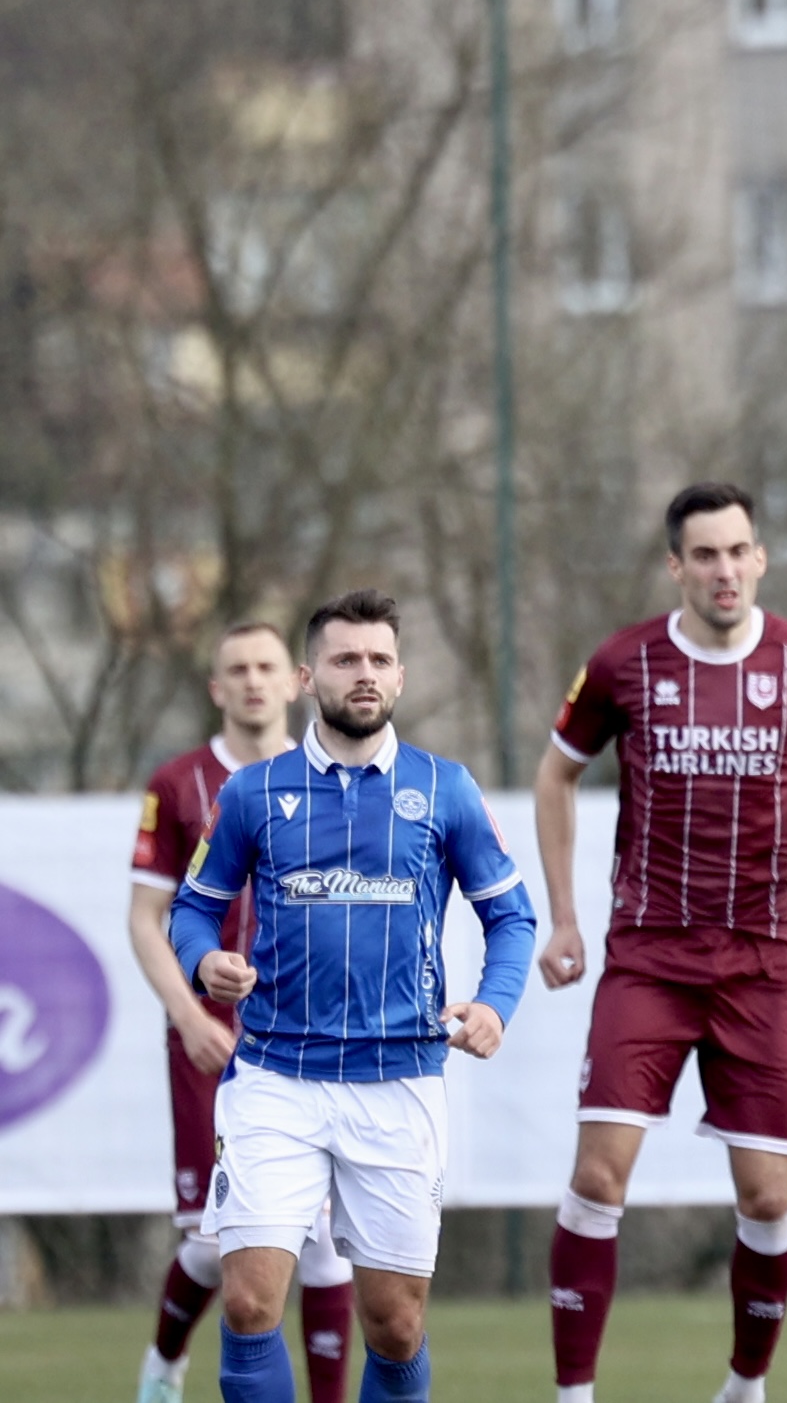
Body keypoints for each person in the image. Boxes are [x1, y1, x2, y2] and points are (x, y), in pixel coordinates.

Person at [536, 482, 787, 1403]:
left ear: (760, 558)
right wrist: (566, 917)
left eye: (737, 550)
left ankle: (745, 1386)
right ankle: (573, 1394)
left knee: (769, 1198)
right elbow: (555, 775)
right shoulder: (623, 663)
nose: (723, 569)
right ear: (676, 566)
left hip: (764, 962)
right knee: (596, 1174)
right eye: (704, 554)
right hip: (649, 955)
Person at [168, 589, 537, 1403]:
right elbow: (191, 908)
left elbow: (511, 916)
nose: (362, 674)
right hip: (275, 1075)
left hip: (399, 1080)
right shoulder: (254, 793)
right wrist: (203, 963)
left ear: (400, 676)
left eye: (377, 660)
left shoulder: (445, 789)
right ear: (309, 676)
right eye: (344, 659)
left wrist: (492, 1004)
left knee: (395, 1325)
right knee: (250, 1299)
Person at [128, 623, 354, 1403]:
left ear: (294, 680)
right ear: (217, 687)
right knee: (214, 1236)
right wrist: (188, 1015)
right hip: (215, 1042)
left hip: (316, 1040)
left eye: (266, 666)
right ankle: (162, 1367)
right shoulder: (180, 782)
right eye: (236, 669)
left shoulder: (336, 774)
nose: (253, 681)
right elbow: (145, 917)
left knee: (325, 1238)